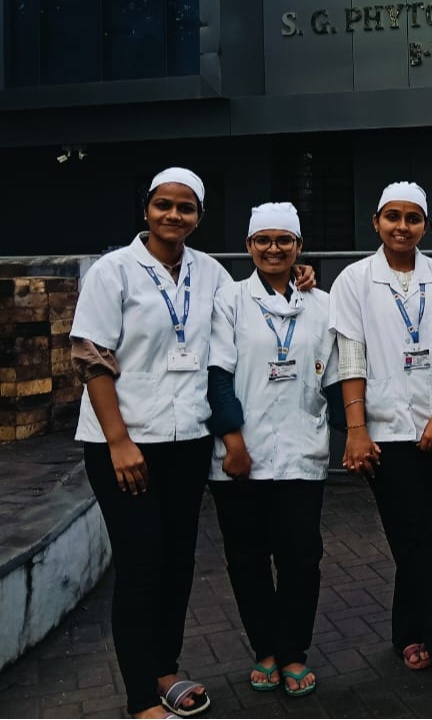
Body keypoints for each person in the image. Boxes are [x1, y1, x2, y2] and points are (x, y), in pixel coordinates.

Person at [71, 168, 227, 719]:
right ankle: (140, 696)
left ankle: (166, 668)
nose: (173, 215)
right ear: (146, 209)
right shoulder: (113, 271)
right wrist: (118, 441)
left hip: (187, 440)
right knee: (140, 565)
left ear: (199, 217)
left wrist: (300, 276)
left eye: (186, 208)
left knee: (178, 561)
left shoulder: (211, 272)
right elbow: (91, 357)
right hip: (125, 443)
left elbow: (246, 314)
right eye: (164, 204)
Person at [329, 181, 432, 690]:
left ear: (426, 226)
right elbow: (351, 357)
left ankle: (407, 631)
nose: (402, 226)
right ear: (376, 222)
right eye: (392, 216)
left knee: (428, 532)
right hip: (384, 432)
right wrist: (356, 430)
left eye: (412, 218)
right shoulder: (354, 280)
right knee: (417, 534)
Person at [205, 202, 337, 697]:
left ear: (299, 247)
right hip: (242, 455)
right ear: (249, 246)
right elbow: (217, 376)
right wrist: (233, 442)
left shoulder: (321, 304)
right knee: (248, 559)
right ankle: (265, 649)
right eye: (263, 240)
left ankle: (293, 651)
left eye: (284, 240)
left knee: (301, 557)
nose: (273, 249)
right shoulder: (229, 300)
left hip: (302, 452)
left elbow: (336, 377)